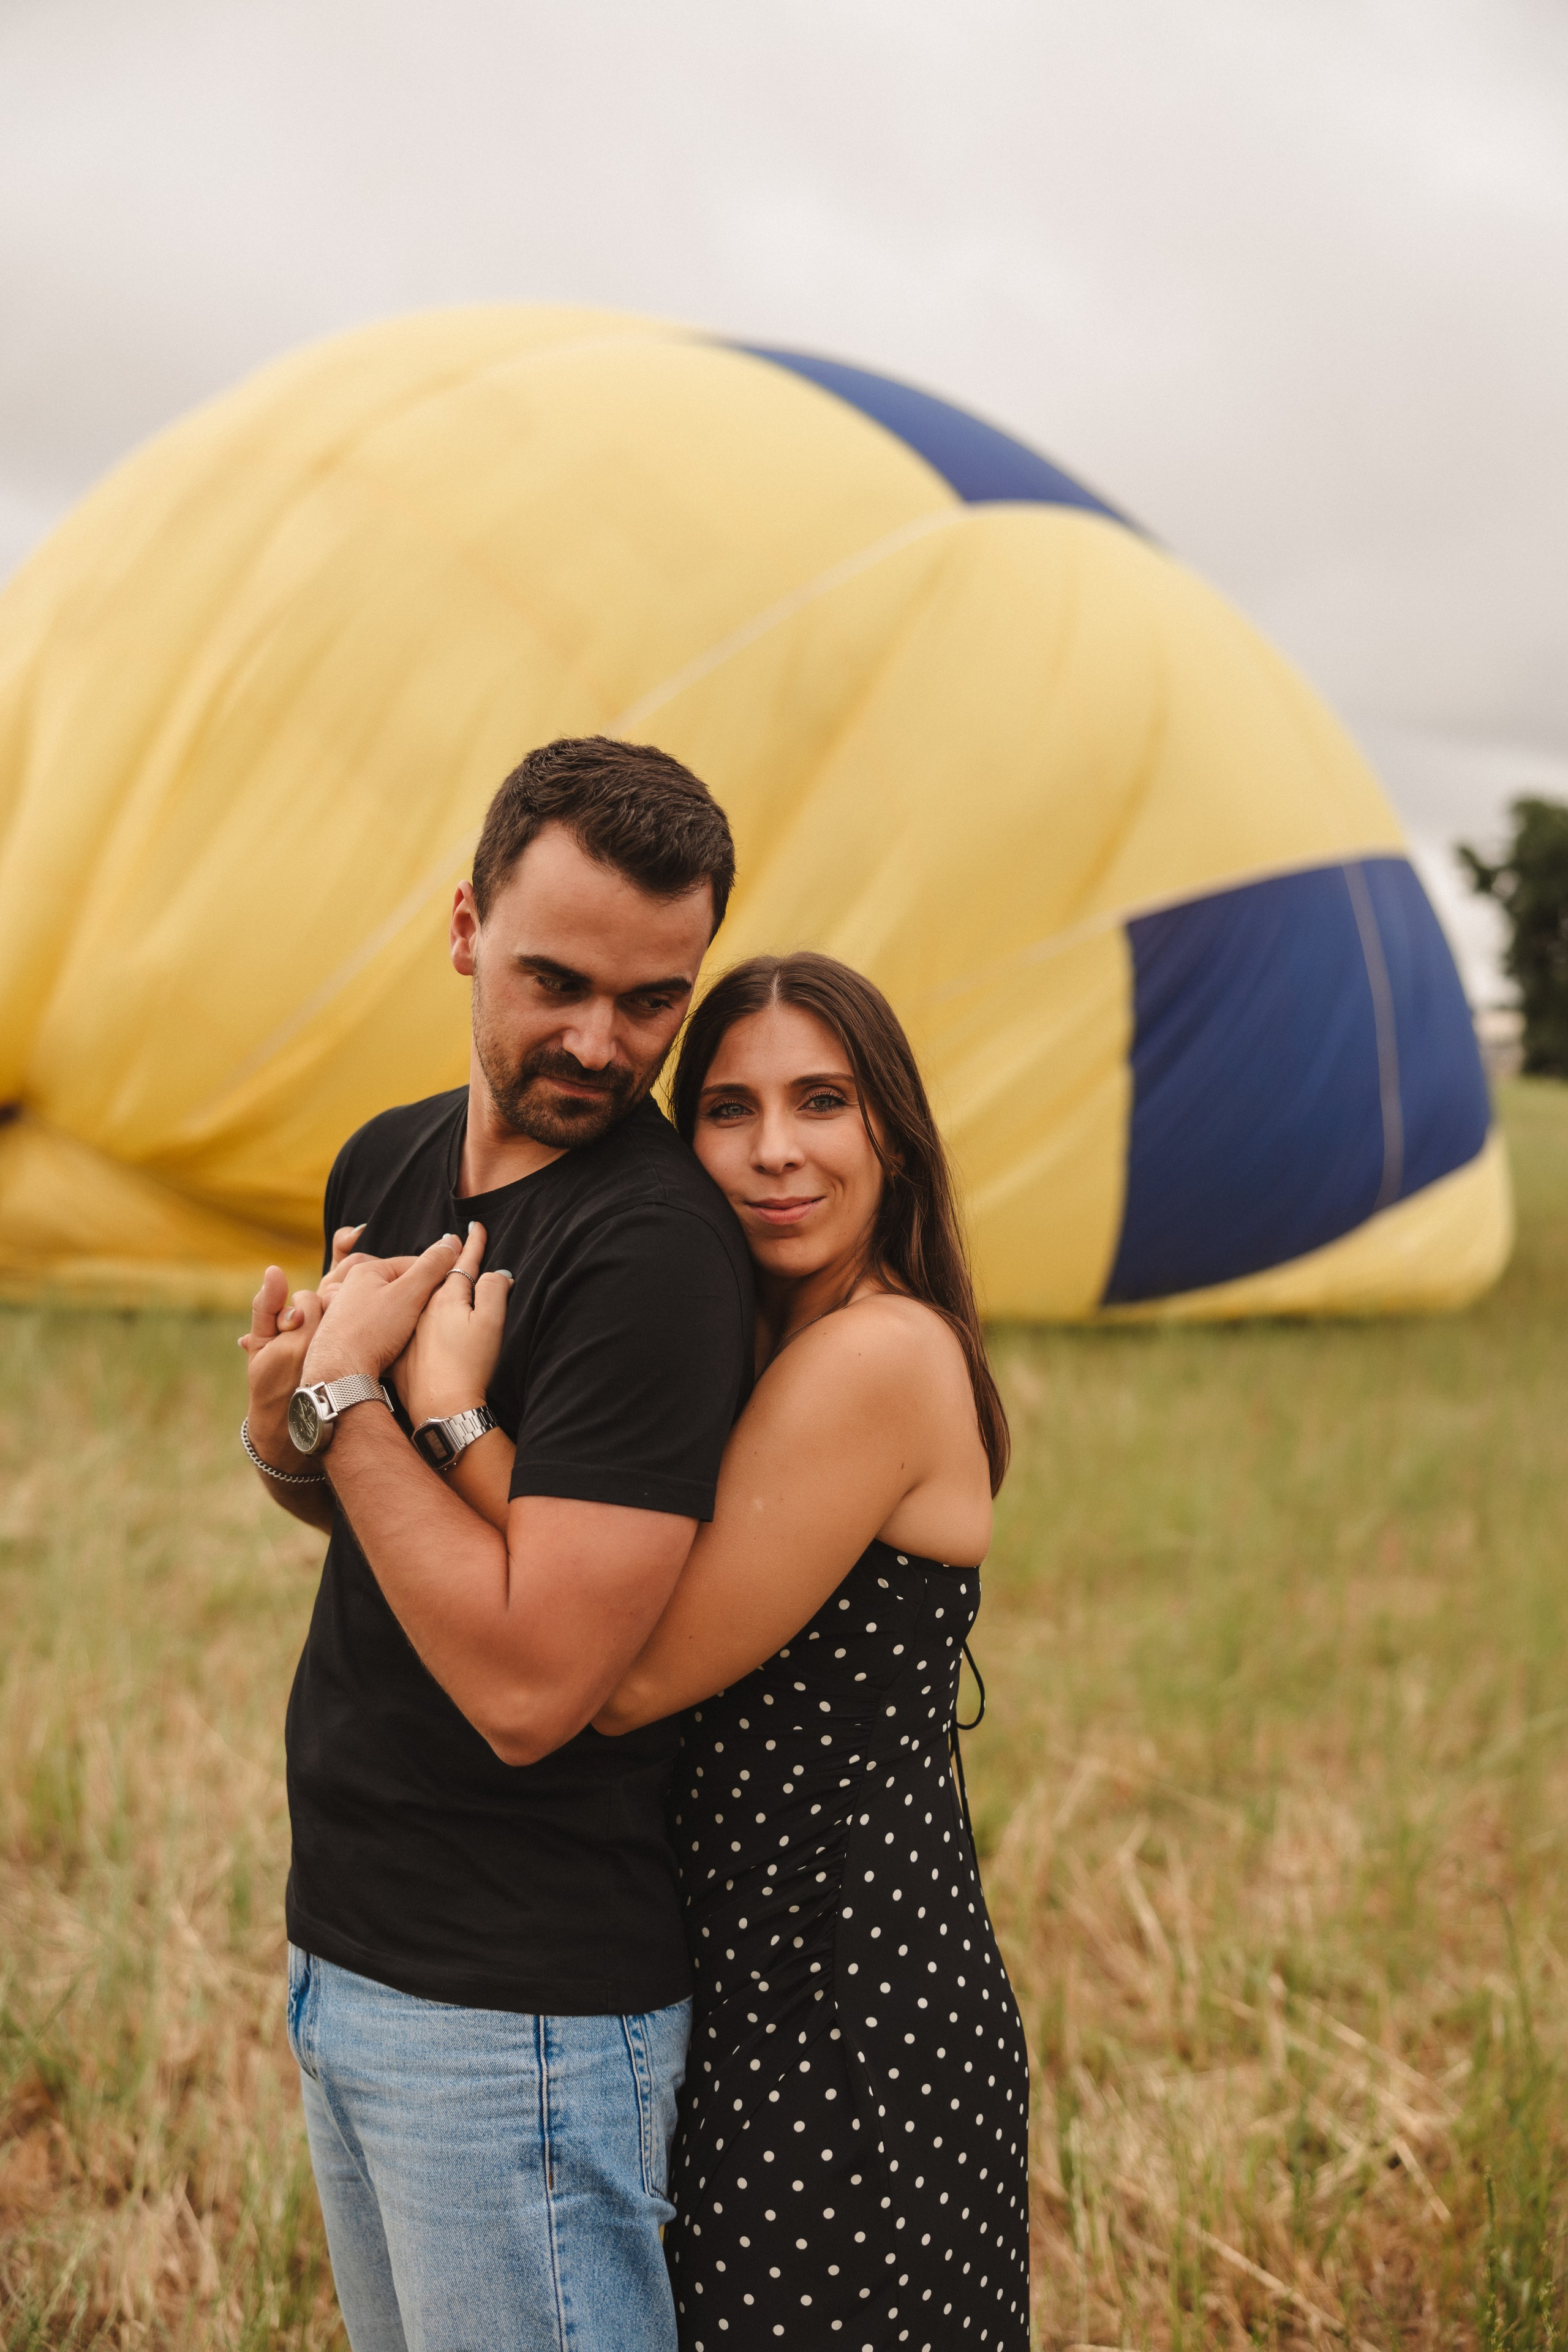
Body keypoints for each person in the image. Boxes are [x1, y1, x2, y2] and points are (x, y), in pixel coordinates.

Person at [402, 950, 1031, 2351]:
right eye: (727, 1110)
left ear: (892, 1134)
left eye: (821, 1101)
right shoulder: (762, 1346)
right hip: (746, 1968)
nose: (774, 1151)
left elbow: (624, 1670)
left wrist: (450, 1416)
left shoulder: (874, 1357)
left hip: (839, 1995)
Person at [238, 737, 754, 2352]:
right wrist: (285, 1430)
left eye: (654, 1000)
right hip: (350, 1933)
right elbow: (359, 1517)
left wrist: (349, 1406)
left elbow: (536, 1688)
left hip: (521, 2006)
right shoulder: (384, 1160)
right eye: (557, 982)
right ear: (466, 928)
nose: (601, 1042)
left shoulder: (655, 1255)